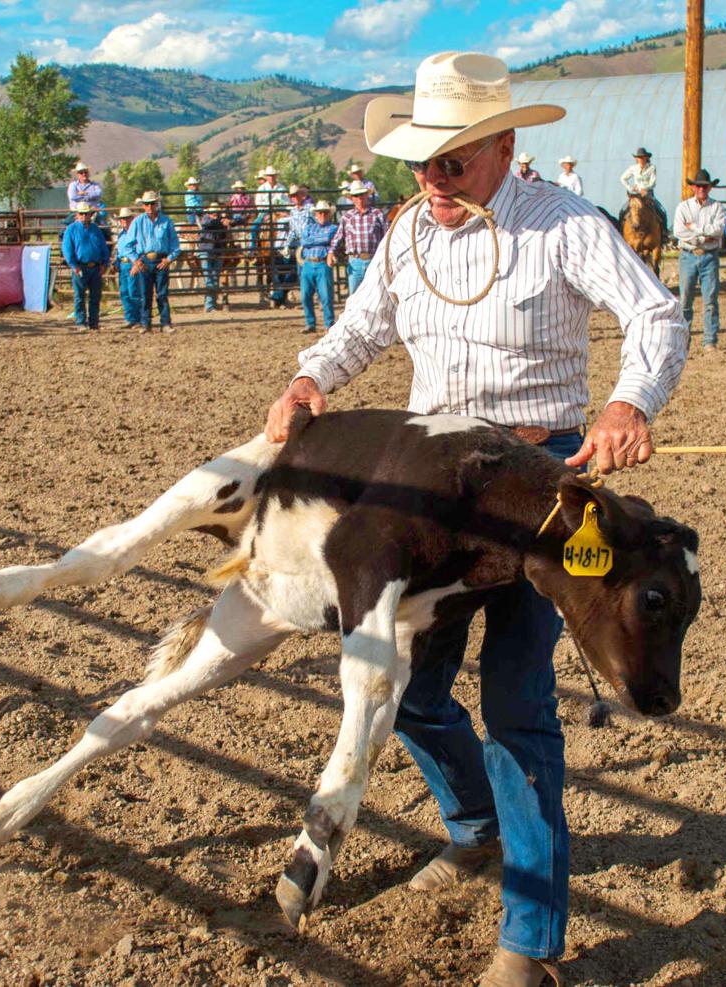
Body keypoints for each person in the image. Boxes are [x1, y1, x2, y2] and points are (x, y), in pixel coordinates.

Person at [264, 50, 687, 987]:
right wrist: (310, 377)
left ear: (501, 146)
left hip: (545, 489)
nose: (431, 180)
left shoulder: (566, 224)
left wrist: (630, 405)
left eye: (450, 162)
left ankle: (528, 944)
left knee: (519, 705)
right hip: (434, 498)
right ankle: (475, 827)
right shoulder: (409, 230)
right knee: (407, 692)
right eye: (420, 163)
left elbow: (655, 316)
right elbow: (360, 328)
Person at [674, 169, 725, 352]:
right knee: (685, 300)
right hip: (689, 254)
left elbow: (719, 230)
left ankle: (710, 339)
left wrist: (694, 228)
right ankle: (684, 340)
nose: (702, 189)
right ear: (693, 187)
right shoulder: (683, 207)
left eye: (704, 186)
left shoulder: (716, 206)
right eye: (699, 186)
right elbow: (679, 231)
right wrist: (704, 236)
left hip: (708, 256)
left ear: (709, 187)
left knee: (710, 299)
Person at [124, 190, 181, 335]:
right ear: (143, 206)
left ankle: (165, 323)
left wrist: (169, 258)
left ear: (156, 204)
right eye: (147, 204)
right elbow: (127, 245)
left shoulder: (166, 221)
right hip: (144, 261)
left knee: (162, 293)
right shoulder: (137, 222)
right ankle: (145, 324)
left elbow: (175, 244)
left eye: (152, 204)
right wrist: (136, 260)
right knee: (145, 293)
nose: (150, 207)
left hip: (162, 260)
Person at [329, 179, 386, 295]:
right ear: (352, 198)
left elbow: (388, 235)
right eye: (356, 196)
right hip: (355, 261)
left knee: (376, 295)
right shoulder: (347, 217)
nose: (359, 198)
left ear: (366, 196)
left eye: (361, 195)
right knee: (354, 297)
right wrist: (331, 252)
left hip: (374, 260)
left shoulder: (377, 214)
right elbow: (338, 236)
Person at [61, 201, 111, 332]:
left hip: (95, 267)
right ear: (77, 215)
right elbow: (67, 249)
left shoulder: (96, 229)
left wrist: (105, 263)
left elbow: (103, 247)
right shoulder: (71, 229)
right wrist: (73, 265)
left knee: (95, 296)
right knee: (80, 296)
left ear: (90, 215)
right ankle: (81, 322)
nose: (84, 216)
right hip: (80, 266)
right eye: (81, 214)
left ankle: (94, 322)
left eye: (86, 214)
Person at [290, 199, 339, 334]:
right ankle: (310, 323)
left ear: (329, 214)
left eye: (325, 213)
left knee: (326, 296)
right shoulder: (310, 228)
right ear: (316, 214)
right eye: (320, 213)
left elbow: (311, 240)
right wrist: (323, 240)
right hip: (308, 263)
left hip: (322, 263)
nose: (322, 215)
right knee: (305, 295)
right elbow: (305, 241)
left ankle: (328, 323)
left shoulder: (332, 228)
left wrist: (315, 240)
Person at [271, 184, 313, 308]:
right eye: (292, 196)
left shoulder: (310, 208)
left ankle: (309, 298)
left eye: (296, 195)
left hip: (307, 244)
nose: (294, 198)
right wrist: (287, 245)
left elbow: (316, 224)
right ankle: (306, 299)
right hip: (298, 245)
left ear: (302, 195)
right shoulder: (293, 211)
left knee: (307, 271)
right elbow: (293, 231)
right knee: (300, 273)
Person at [620, 146, 666, 236]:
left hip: (647, 194)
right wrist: (630, 188)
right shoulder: (633, 168)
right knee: (623, 210)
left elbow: (653, 182)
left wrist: (645, 188)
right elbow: (623, 178)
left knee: (662, 211)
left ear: (646, 158)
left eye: (642, 157)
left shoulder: (652, 168)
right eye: (639, 157)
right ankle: (621, 232)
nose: (640, 159)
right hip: (635, 195)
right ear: (636, 159)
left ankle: (664, 233)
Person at [197, 201, 228, 314]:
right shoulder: (206, 218)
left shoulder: (216, 221)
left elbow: (224, 234)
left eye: (217, 212)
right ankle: (210, 305)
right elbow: (208, 223)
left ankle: (210, 304)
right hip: (206, 250)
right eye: (213, 211)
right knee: (210, 279)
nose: (215, 213)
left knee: (214, 278)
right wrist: (222, 222)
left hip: (216, 251)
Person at [112, 206, 141, 329]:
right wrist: (116, 262)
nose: (124, 221)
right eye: (122, 219)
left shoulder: (136, 234)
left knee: (133, 291)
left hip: (132, 263)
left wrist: (136, 264)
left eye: (126, 219)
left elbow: (140, 250)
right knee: (124, 292)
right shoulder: (121, 235)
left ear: (131, 219)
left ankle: (138, 318)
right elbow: (120, 251)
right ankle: (130, 318)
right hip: (123, 264)